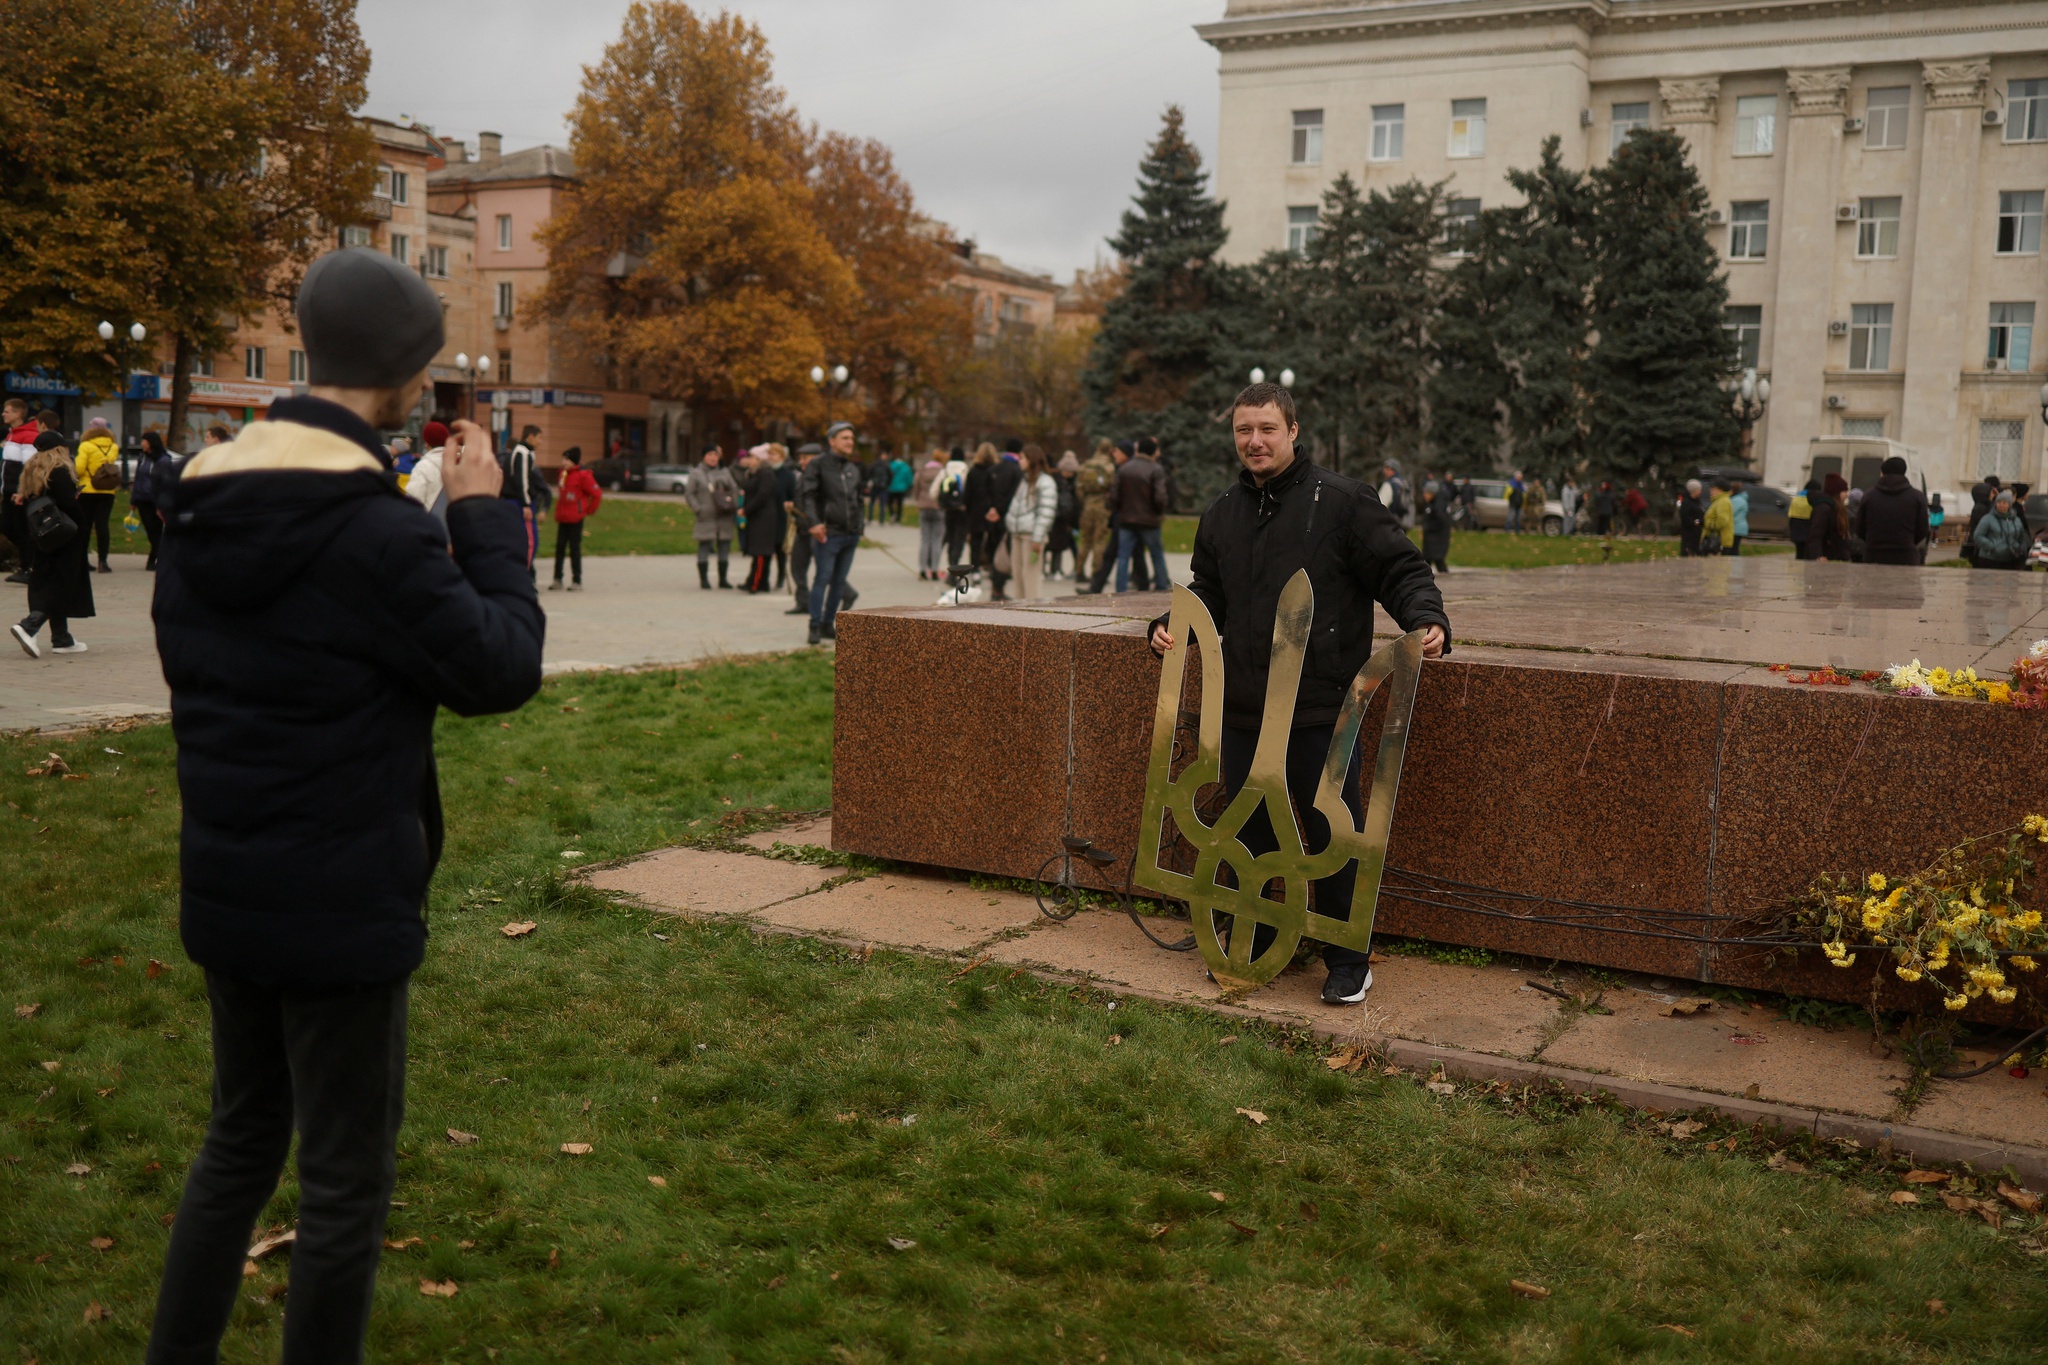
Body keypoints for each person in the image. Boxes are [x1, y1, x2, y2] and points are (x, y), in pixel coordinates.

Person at [142, 247, 543, 1365]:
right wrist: (481, 515)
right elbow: (500, 670)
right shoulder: (375, 531)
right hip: (339, 904)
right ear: (405, 374)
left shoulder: (198, 502)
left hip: (229, 882)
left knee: (236, 1144)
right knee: (342, 1187)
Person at [1148, 383, 1448, 1006]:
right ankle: (1254, 938)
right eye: (1242, 431)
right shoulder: (1223, 512)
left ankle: (1347, 959)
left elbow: (1401, 569)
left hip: (1322, 707)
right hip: (1244, 709)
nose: (1254, 441)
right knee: (1248, 828)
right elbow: (1211, 590)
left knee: (1330, 831)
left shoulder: (1342, 503)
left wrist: (1426, 616)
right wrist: (1173, 622)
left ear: (1292, 431)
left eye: (1266, 429)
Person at [9, 433, 94, 655]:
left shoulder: (32, 471)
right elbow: (68, 505)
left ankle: (61, 637)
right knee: (62, 583)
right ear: (59, 449)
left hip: (41, 534)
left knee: (47, 579)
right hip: (65, 534)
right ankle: (29, 625)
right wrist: (83, 528)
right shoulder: (60, 471)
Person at [797, 420, 865, 645]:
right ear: (832, 441)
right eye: (845, 438)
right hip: (828, 533)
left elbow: (858, 499)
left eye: (852, 439)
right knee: (822, 578)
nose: (850, 442)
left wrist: (860, 525)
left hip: (850, 534)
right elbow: (808, 496)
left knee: (839, 581)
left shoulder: (852, 468)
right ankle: (814, 624)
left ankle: (828, 623)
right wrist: (814, 523)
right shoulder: (818, 465)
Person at [1112, 435, 1171, 594]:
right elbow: (1160, 497)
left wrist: (1120, 510)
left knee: (1123, 557)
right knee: (1156, 555)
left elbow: (1115, 496)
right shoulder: (1155, 469)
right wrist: (1157, 513)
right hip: (1149, 521)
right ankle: (1161, 586)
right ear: (1152, 452)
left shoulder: (1124, 468)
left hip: (1126, 520)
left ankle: (1120, 589)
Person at [1004, 444, 1059, 601]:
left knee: (1031, 575)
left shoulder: (1045, 482)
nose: (1019, 461)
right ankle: (1020, 608)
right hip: (1017, 533)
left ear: (1031, 459)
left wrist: (1038, 537)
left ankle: (1032, 609)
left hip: (1032, 536)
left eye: (1022, 458)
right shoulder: (1025, 480)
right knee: (1018, 574)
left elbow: (1046, 512)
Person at [682, 447, 739, 589]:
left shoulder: (725, 472)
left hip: (724, 515)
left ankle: (723, 579)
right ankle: (704, 580)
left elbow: (734, 489)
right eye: (710, 454)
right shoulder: (696, 473)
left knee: (724, 546)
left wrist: (732, 504)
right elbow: (689, 493)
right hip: (706, 516)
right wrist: (698, 508)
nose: (713, 458)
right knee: (704, 546)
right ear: (703, 456)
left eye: (715, 455)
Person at [1855, 456, 1928, 566]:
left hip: (1873, 556)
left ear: (1882, 472)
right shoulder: (1917, 497)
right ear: (1904, 472)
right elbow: (1923, 529)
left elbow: (1859, 528)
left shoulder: (1869, 496)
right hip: (1906, 556)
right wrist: (1908, 542)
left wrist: (1873, 542)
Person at [549, 445, 602, 591]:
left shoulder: (583, 476)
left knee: (574, 549)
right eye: (563, 459)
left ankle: (576, 580)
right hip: (563, 517)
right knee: (559, 548)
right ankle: (557, 579)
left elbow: (597, 494)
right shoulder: (563, 474)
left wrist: (589, 510)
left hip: (576, 518)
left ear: (574, 461)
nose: (564, 462)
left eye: (567, 460)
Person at [74, 416, 121, 573]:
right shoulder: (113, 446)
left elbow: (79, 469)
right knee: (102, 526)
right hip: (107, 490)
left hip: (87, 490)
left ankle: (83, 561)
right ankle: (103, 562)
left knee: (85, 526)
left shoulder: (85, 445)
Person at [982, 440, 1024, 601]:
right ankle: (998, 588)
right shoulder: (1017, 470)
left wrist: (991, 509)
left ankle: (995, 587)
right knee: (1004, 556)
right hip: (1006, 517)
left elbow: (984, 492)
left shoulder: (994, 468)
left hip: (991, 516)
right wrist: (999, 510)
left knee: (994, 552)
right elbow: (1014, 496)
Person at [741, 442, 785, 593]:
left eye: (752, 457)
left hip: (764, 519)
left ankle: (756, 583)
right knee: (758, 553)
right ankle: (757, 581)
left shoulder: (766, 474)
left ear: (760, 459)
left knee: (760, 553)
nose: (749, 460)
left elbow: (762, 496)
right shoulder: (757, 473)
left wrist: (746, 510)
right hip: (758, 518)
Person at [502, 424, 543, 579]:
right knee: (530, 542)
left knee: (516, 540)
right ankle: (523, 577)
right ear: (530, 436)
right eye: (539, 438)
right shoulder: (524, 453)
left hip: (511, 501)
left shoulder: (516, 451)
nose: (540, 442)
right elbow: (522, 480)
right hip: (519, 503)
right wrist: (526, 504)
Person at [1074, 439, 1116, 586]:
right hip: (1102, 506)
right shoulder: (1109, 467)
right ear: (1110, 450)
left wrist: (1085, 501)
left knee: (1085, 540)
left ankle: (1078, 571)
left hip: (1087, 506)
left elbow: (1078, 487)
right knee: (1100, 540)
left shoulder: (1086, 465)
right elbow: (1113, 487)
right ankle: (1096, 572)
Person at [131, 431, 173, 570]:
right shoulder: (142, 457)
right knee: (150, 530)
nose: (142, 443)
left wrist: (163, 502)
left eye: (144, 440)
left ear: (151, 442)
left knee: (157, 530)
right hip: (142, 498)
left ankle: (153, 560)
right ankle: (159, 557)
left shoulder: (163, 460)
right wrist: (133, 500)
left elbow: (166, 482)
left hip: (156, 500)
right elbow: (138, 479)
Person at [405, 420, 450, 526]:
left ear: (427, 443)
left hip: (430, 527)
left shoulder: (423, 467)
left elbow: (413, 501)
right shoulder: (458, 465)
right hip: (454, 529)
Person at [1971, 487, 2029, 570]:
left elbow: (2022, 536)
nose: (2001, 505)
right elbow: (1978, 536)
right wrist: (1992, 547)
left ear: (2009, 505)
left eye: (2004, 502)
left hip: (2011, 559)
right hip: (1990, 559)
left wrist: (2020, 549)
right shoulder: (1988, 519)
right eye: (1999, 502)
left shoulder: (2016, 520)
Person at [911, 448, 946, 580]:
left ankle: (922, 569)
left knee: (925, 539)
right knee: (936, 540)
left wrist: (918, 501)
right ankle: (935, 569)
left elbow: (916, 489)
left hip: (924, 507)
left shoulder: (922, 472)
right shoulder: (942, 472)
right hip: (938, 507)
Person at [1046, 450, 1080, 580]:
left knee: (1063, 544)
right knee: (1057, 545)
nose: (1069, 474)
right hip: (1062, 517)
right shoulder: (1060, 481)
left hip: (1066, 518)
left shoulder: (1065, 481)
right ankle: (1054, 569)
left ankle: (1060, 569)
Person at [936, 444, 971, 571]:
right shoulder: (966, 471)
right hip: (962, 509)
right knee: (959, 538)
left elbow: (933, 491)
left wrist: (942, 501)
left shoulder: (944, 471)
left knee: (950, 537)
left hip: (948, 509)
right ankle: (956, 563)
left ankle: (951, 563)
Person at [1808, 476, 1848, 562]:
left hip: (1833, 558)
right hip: (1824, 558)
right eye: (1844, 491)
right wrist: (1818, 556)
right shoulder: (1823, 509)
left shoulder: (1836, 508)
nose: (1847, 494)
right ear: (1836, 492)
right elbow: (1816, 534)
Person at [1419, 479, 1452, 573]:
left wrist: (1428, 527)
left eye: (1426, 493)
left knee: (1436, 559)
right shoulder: (1431, 503)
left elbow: (1440, 520)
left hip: (1436, 538)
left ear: (1432, 493)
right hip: (1431, 538)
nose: (1424, 495)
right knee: (1428, 559)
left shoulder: (1438, 505)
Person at [1701, 480, 1734, 555]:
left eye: (1713, 489)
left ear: (1720, 490)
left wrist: (1708, 524)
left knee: (1718, 565)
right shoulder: (1718, 501)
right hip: (1717, 540)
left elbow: (1722, 521)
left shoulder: (1723, 502)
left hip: (1719, 541)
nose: (1711, 491)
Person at [1677, 479, 1705, 556]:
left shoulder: (1697, 501)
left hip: (1697, 532)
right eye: (1699, 490)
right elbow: (1685, 517)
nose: (1700, 492)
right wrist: (1696, 522)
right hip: (1689, 532)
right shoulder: (1686, 503)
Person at [888, 450, 914, 524]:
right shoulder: (906, 467)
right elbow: (909, 478)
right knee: (900, 504)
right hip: (902, 488)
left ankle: (892, 513)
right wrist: (909, 485)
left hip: (891, 487)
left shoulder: (890, 465)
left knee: (890, 502)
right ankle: (898, 519)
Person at [1727, 481, 1750, 556]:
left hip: (1736, 527)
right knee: (1734, 548)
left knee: (1733, 549)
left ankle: (1735, 565)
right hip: (1738, 527)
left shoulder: (1737, 500)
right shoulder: (1739, 499)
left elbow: (1730, 512)